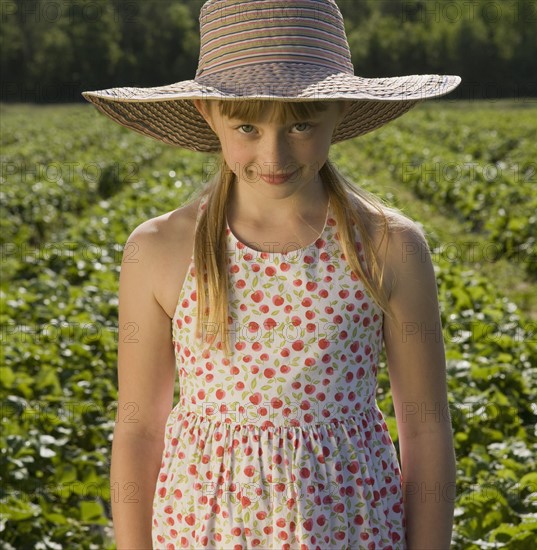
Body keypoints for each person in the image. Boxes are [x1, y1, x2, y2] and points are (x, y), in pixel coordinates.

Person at [82, 0, 460, 548]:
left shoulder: (389, 246)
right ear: (208, 114)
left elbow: (425, 430)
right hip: (205, 531)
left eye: (302, 123)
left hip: (351, 528)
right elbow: (139, 430)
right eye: (246, 126)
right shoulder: (160, 249)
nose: (274, 152)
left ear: (340, 112)